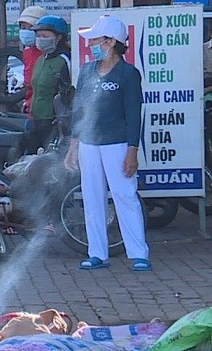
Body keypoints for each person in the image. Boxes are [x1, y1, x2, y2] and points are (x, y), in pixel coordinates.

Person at [64, 14, 150, 272]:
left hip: (117, 144)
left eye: (96, 40)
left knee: (125, 195)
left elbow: (135, 114)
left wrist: (132, 151)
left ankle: (139, 254)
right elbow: (79, 110)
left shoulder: (128, 74)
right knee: (92, 198)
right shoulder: (87, 71)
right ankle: (97, 253)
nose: (91, 45)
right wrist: (73, 146)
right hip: (89, 144)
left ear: (112, 42)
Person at [16, 15, 72, 157]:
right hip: (36, 120)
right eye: (38, 35)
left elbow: (68, 93)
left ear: (59, 37)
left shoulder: (64, 60)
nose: (40, 39)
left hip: (53, 123)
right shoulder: (42, 59)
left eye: (45, 36)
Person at [18, 5, 48, 114]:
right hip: (31, 110)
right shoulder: (27, 52)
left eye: (31, 28)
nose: (26, 31)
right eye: (23, 27)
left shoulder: (49, 52)